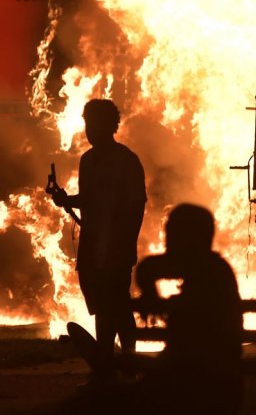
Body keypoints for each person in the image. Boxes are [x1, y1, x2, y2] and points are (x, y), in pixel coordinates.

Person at [51, 99, 146, 381]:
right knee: (102, 307)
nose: (89, 130)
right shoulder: (88, 160)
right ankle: (106, 362)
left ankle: (126, 360)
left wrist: (127, 243)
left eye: (93, 124)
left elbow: (136, 204)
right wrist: (67, 200)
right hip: (92, 247)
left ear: (109, 126)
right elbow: (90, 200)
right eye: (87, 124)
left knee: (116, 304)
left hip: (115, 248)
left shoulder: (127, 161)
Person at [135, 204, 243, 414]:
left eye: (173, 232)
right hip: (219, 384)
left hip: (200, 387)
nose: (167, 239)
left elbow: (148, 269)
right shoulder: (215, 267)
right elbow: (149, 268)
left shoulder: (204, 269)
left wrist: (154, 298)